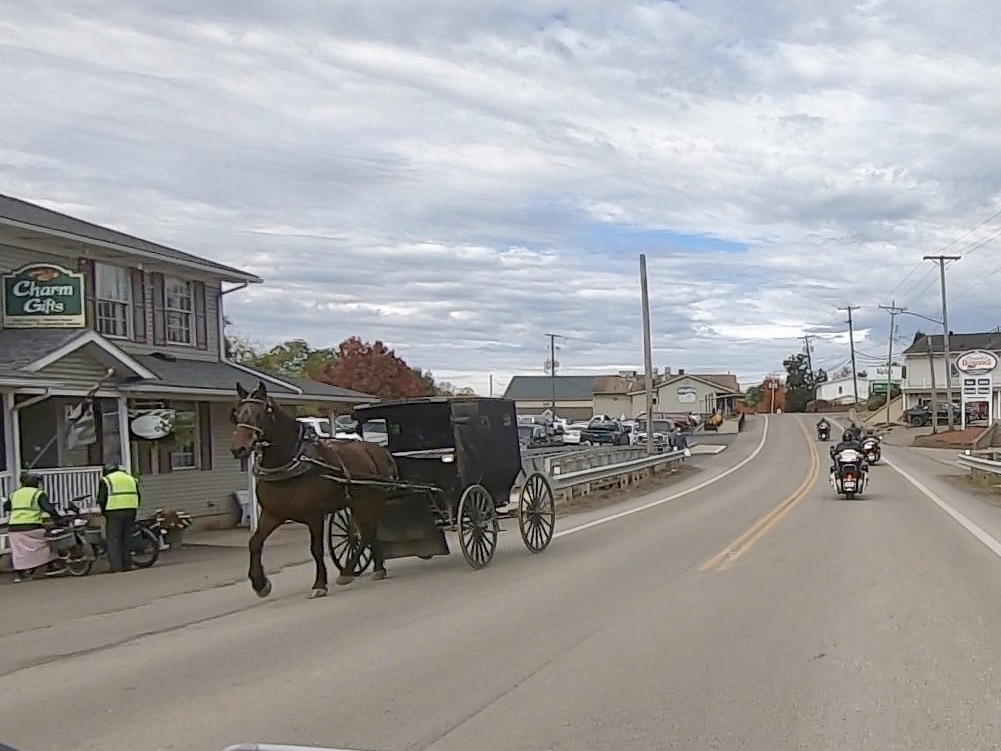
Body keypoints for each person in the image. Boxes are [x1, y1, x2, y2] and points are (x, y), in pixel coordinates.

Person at [2, 473, 64, 582]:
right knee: (45, 543)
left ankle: (21, 573)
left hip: (14, 527)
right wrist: (58, 519)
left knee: (19, 551)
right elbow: (48, 508)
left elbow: (6, 507)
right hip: (33, 525)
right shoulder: (38, 493)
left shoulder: (14, 494)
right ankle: (50, 564)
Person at [96, 464, 142, 573]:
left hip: (114, 512)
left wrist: (103, 512)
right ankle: (128, 564)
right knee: (127, 538)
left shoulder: (107, 480)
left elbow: (102, 499)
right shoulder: (130, 478)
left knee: (114, 540)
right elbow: (138, 496)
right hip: (131, 510)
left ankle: (116, 567)